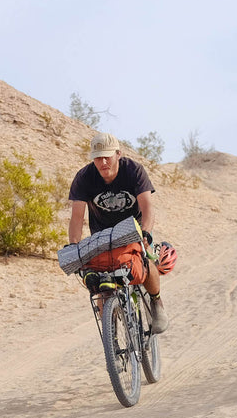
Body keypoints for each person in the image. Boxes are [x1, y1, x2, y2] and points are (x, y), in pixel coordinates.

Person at [68, 132, 169, 333]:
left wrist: (146, 234)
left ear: (118, 154)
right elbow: (77, 216)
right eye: (98, 157)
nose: (103, 161)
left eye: (107, 156)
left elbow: (148, 207)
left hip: (133, 229)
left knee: (145, 262)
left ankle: (156, 303)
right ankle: (110, 333)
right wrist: (73, 247)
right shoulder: (84, 177)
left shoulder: (133, 171)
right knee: (99, 280)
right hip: (102, 236)